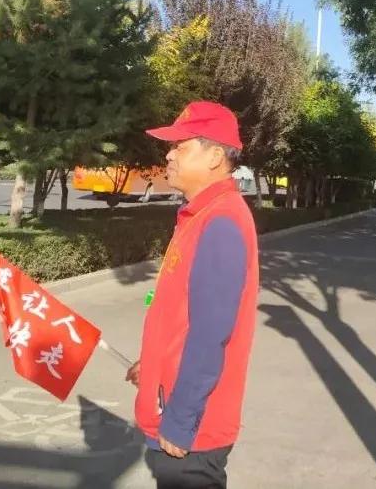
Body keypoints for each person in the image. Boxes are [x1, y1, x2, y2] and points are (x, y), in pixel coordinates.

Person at [125, 101, 260, 489]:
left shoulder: (220, 222)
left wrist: (181, 420)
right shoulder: (199, 214)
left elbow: (210, 333)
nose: (169, 155)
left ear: (215, 156)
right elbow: (179, 314)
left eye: (180, 147)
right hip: (171, 405)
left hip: (193, 429)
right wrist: (152, 364)